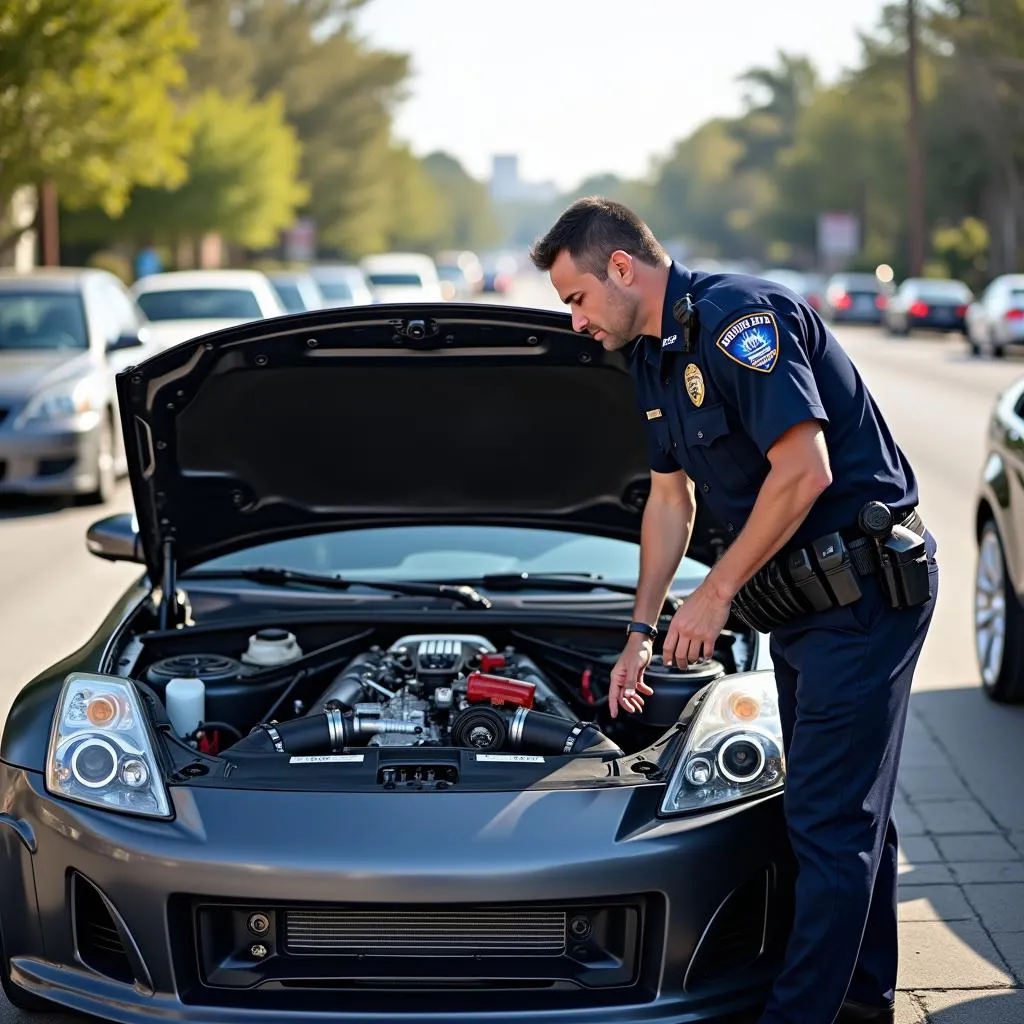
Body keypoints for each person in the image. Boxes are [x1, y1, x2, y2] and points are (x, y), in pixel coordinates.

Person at [529, 197, 939, 1024]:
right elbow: (668, 502)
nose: (573, 320)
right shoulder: (647, 357)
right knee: (848, 815)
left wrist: (713, 595)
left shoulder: (737, 320)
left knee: (826, 826)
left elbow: (805, 470)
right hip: (801, 605)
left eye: (574, 299)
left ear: (621, 267)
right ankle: (862, 1004)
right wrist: (639, 632)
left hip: (862, 594)